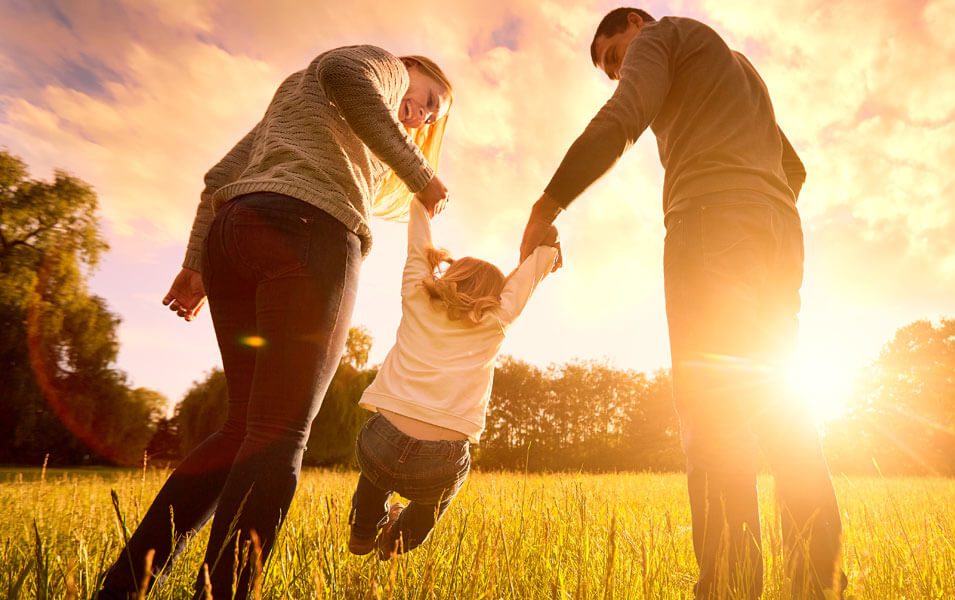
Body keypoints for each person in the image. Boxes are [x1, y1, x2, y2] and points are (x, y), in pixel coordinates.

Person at [98, 46, 454, 600]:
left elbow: (219, 177)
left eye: (433, 116)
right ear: (410, 69)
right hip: (309, 233)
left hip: (235, 235)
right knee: (280, 434)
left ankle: (122, 588)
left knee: (242, 429)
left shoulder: (299, 100)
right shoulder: (378, 64)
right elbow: (345, 72)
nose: (424, 114)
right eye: (428, 97)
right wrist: (420, 172)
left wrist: (195, 266)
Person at [518, 8, 844, 599]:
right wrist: (755, 202)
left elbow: (624, 116)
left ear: (637, 24)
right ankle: (815, 585)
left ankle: (728, 589)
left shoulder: (663, 36)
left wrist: (547, 207)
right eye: (611, 69)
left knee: (712, 413)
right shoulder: (738, 67)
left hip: (710, 226)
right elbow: (793, 167)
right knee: (782, 407)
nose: (620, 72)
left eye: (617, 56)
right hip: (777, 233)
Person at [345, 196, 560, 560]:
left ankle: (363, 530)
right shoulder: (498, 318)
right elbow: (530, 273)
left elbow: (418, 246)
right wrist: (548, 251)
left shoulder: (416, 295)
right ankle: (395, 542)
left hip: (381, 440)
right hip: (440, 459)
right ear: (496, 295)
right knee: (433, 502)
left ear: (451, 275)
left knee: (376, 474)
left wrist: (421, 202)